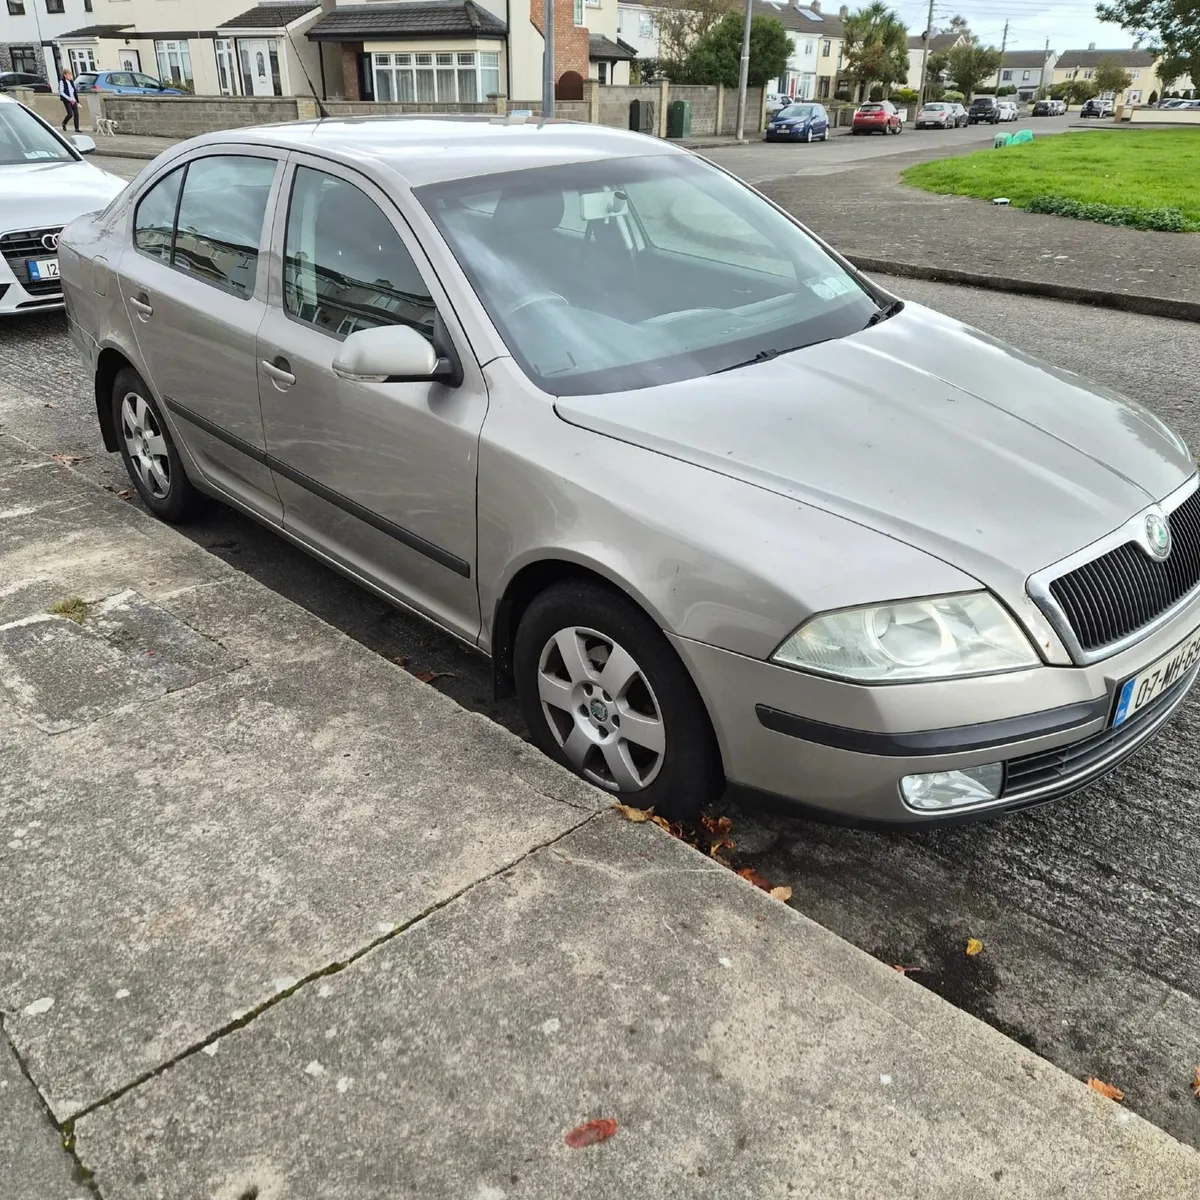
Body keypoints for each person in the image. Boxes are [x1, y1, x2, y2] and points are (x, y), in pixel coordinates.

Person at [59, 69, 80, 134]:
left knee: (76, 114)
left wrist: (77, 101)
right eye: (68, 75)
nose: (70, 76)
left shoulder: (71, 82)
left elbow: (74, 91)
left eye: (70, 75)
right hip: (67, 100)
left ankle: (77, 128)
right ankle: (64, 123)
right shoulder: (62, 82)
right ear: (65, 75)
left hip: (73, 99)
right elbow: (61, 92)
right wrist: (68, 98)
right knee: (70, 114)